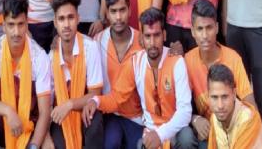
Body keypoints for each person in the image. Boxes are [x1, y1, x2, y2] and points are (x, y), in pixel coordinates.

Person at [84, 8, 195, 149]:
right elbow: (117, 97)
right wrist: (96, 101)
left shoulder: (177, 62)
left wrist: (160, 135)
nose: (153, 42)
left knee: (187, 137)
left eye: (157, 35)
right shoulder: (136, 62)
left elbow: (185, 112)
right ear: (141, 38)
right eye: (148, 36)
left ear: (165, 35)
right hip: (149, 132)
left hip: (174, 130)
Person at [0, 0, 51, 149]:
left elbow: (45, 112)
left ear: (27, 24)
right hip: (4, 123)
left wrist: (34, 146)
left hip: (28, 125)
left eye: (20, 24)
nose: (16, 32)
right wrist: (8, 112)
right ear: (3, 26)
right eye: (11, 25)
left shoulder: (39, 56)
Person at [185, 0, 255, 147]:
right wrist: (195, 119)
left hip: (233, 133)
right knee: (186, 138)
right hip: (206, 134)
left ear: (217, 28)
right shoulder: (187, 61)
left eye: (209, 27)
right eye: (200, 29)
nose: (205, 35)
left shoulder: (233, 58)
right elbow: (177, 107)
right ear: (192, 31)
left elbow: (250, 106)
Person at [48, 0, 104, 149]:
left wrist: (70, 104)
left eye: (70, 17)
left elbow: (95, 94)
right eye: (61, 19)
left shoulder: (90, 48)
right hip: (62, 116)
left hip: (85, 110)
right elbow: (49, 101)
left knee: (95, 123)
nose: (66, 24)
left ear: (78, 19)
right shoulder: (51, 57)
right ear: (55, 23)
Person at [93, 0, 143, 149]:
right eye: (113, 11)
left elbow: (162, 53)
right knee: (111, 144)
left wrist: (174, 50)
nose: (119, 17)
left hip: (137, 117)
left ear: (130, 10)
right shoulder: (97, 42)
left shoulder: (142, 41)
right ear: (106, 13)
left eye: (122, 10)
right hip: (110, 114)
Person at [207, 64, 262, 148]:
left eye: (225, 97)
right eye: (214, 97)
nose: (220, 105)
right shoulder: (214, 118)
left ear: (234, 94)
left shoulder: (248, 120)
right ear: (208, 96)